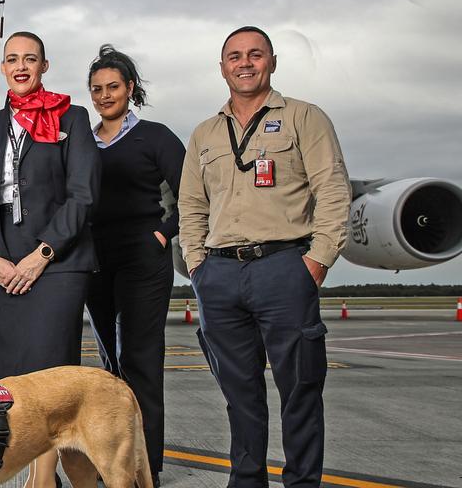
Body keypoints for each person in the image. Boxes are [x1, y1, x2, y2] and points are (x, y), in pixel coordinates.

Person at [178, 26, 350, 488]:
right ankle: (247, 480)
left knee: (300, 392)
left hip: (284, 267)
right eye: (234, 56)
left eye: (255, 54)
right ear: (222, 68)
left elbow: (333, 191)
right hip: (219, 273)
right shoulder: (205, 133)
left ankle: (301, 483)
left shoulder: (304, 118)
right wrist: (197, 266)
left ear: (272, 62)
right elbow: (191, 207)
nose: (245, 63)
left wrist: (315, 263)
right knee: (240, 395)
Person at [0, 30, 99, 488]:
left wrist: (41, 255)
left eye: (30, 59)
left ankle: (43, 482)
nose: (21, 66)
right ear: (3, 68)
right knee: (15, 378)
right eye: (12, 59)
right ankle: (38, 476)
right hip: (4, 272)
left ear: (44, 66)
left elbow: (82, 196)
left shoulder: (72, 118)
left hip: (56, 266)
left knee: (52, 379)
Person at [82, 44, 184, 485]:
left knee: (141, 361)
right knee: (110, 369)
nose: (105, 96)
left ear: (131, 89)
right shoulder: (82, 141)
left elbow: (195, 195)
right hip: (95, 260)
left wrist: (165, 231)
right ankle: (116, 464)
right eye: (97, 89)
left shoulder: (156, 137)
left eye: (113, 87)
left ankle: (147, 469)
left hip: (143, 256)